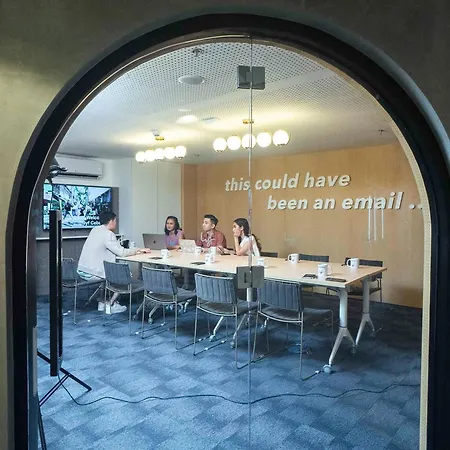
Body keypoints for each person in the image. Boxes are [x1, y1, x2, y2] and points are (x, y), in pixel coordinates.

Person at [77, 211, 151, 314]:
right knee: (125, 275)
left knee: (109, 274)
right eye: (115, 221)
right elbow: (121, 252)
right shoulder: (108, 234)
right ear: (111, 221)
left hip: (83, 270)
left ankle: (102, 302)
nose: (116, 223)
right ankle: (111, 304)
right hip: (94, 273)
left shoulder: (95, 230)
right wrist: (137, 250)